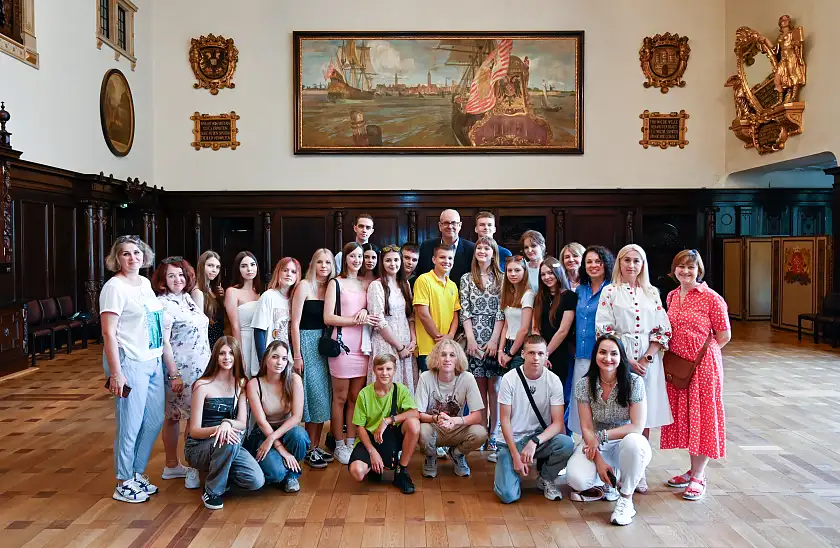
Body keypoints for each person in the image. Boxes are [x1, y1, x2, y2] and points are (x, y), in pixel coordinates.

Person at [100, 235, 177, 503]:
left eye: (137, 253)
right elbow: (109, 334)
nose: (133, 258)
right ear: (116, 258)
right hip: (129, 361)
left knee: (154, 420)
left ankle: (135, 473)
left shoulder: (144, 283)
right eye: (125, 254)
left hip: (153, 359)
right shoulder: (114, 287)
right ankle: (123, 480)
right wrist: (116, 373)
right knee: (130, 424)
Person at [596, 244, 672, 493]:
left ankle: (639, 470)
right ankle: (615, 466)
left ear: (643, 264)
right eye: (626, 260)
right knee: (620, 410)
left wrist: (648, 357)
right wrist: (626, 360)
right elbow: (604, 328)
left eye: (636, 261)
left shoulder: (652, 292)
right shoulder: (610, 291)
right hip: (618, 357)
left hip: (649, 360)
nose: (631, 265)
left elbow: (662, 328)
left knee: (644, 415)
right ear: (619, 263)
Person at [660, 250, 731, 501]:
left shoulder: (712, 298)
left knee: (702, 417)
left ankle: (699, 476)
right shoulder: (671, 296)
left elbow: (723, 336)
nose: (685, 271)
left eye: (691, 267)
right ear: (674, 269)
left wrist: (700, 357)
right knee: (690, 418)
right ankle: (692, 470)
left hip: (703, 367)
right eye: (681, 267)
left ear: (699, 270)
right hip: (680, 367)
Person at [566, 335, 651, 526]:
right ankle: (608, 480)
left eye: (614, 353)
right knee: (576, 480)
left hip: (624, 441)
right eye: (602, 352)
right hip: (596, 444)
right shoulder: (584, 384)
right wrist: (598, 460)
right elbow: (586, 427)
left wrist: (602, 436)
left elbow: (637, 426)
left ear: (621, 357)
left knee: (635, 442)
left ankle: (626, 498)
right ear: (595, 355)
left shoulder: (634, 382)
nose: (608, 358)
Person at [185, 337, 265, 510]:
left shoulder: (241, 384)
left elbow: (242, 423)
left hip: (230, 442)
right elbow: (194, 431)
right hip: (199, 447)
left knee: (256, 481)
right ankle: (212, 490)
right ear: (215, 356)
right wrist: (219, 429)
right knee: (227, 438)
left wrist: (227, 423)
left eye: (230, 353)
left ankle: (221, 472)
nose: (227, 357)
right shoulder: (202, 385)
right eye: (222, 353)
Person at [494, 335, 574, 503]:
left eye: (540, 353)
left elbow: (558, 423)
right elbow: (505, 420)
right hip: (512, 440)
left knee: (566, 444)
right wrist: (515, 455)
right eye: (531, 353)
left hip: (537, 438)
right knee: (508, 496)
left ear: (546, 355)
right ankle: (506, 463)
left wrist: (534, 441)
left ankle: (545, 477)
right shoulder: (509, 379)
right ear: (523, 354)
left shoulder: (553, 380)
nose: (536, 358)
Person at [152, 256, 210, 490]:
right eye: (171, 275)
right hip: (180, 370)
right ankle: (175, 464)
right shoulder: (163, 304)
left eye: (181, 274)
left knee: (192, 416)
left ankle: (189, 464)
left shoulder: (188, 298)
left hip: (201, 367)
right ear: (163, 280)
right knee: (176, 416)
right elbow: (164, 342)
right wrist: (174, 374)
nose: (177, 279)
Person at [325, 242, 381, 464]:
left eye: (360, 256)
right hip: (341, 344)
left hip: (363, 345)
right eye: (353, 256)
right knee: (339, 397)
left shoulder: (367, 283)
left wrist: (366, 311)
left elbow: (371, 308)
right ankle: (338, 443)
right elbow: (328, 317)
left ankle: (351, 440)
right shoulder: (335, 283)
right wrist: (356, 319)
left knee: (354, 398)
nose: (357, 260)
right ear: (345, 258)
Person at [459, 236, 505, 462]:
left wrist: (495, 340)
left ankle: (494, 434)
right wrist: (470, 339)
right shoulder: (467, 278)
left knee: (494, 388)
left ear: (494, 253)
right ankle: (481, 430)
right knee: (478, 389)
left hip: (494, 336)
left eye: (487, 248)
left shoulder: (502, 279)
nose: (482, 251)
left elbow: (501, 311)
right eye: (479, 247)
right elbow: (464, 310)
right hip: (473, 336)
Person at [348, 353, 420, 494]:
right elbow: (360, 427)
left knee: (414, 424)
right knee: (357, 472)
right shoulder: (364, 394)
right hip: (370, 439)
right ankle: (374, 466)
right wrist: (372, 451)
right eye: (380, 369)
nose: (385, 373)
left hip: (391, 436)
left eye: (388, 369)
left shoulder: (400, 390)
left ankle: (401, 470)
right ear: (374, 370)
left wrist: (388, 420)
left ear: (394, 370)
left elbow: (415, 413)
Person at [416, 339, 487, 478]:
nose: (447, 359)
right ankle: (431, 456)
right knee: (419, 430)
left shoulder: (468, 378)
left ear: (458, 358)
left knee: (480, 433)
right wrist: (435, 418)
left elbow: (477, 416)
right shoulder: (425, 377)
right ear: (436, 357)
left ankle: (457, 454)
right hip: (434, 426)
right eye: (443, 355)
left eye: (452, 355)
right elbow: (419, 414)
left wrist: (454, 421)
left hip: (456, 427)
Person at [291, 249, 335, 469]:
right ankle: (308, 448)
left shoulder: (330, 288)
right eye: (320, 261)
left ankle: (315, 446)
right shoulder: (304, 286)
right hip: (307, 344)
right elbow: (294, 323)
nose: (324, 266)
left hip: (324, 344)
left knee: (322, 398)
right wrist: (297, 354)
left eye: (328, 262)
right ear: (313, 264)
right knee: (313, 396)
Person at [244, 341, 309, 493]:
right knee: (275, 473)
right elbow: (261, 421)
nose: (280, 362)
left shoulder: (294, 380)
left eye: (284, 359)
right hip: (263, 432)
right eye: (275, 357)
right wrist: (281, 450)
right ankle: (281, 469)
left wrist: (273, 439)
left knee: (299, 435)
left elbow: (297, 417)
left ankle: (291, 476)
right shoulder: (254, 384)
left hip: (287, 430)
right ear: (266, 358)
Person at [568, 246, 615, 436]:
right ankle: (584, 442)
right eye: (589, 262)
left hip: (605, 356)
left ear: (606, 264)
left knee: (602, 400)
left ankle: (605, 441)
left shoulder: (613, 289)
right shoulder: (580, 290)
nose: (593, 265)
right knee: (582, 399)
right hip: (581, 353)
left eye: (598, 261)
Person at [533, 256, 577, 432]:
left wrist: (546, 354)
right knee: (541, 397)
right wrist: (539, 353)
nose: (547, 277)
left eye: (550, 272)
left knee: (559, 397)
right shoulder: (540, 297)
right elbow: (535, 327)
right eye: (543, 274)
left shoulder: (569, 297)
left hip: (559, 354)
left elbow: (563, 330)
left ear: (558, 273)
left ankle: (562, 435)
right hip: (541, 353)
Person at [367, 245, 417, 393]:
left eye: (396, 260)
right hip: (386, 344)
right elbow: (379, 321)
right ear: (382, 263)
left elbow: (410, 316)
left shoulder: (405, 284)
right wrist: (399, 347)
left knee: (404, 391)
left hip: (406, 345)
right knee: (386, 388)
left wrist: (413, 340)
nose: (393, 263)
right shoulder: (376, 286)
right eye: (388, 260)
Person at [413, 243, 460, 372]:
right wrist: (439, 338)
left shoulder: (453, 285)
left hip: (447, 349)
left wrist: (450, 336)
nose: (446, 261)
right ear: (434, 260)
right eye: (442, 257)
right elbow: (422, 313)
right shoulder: (424, 280)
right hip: (428, 347)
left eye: (450, 258)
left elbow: (456, 314)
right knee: (430, 388)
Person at [224, 251, 262, 378]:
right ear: (238, 269)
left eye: (252, 264)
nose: (249, 269)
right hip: (243, 340)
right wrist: (239, 354)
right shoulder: (232, 292)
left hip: (259, 341)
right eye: (244, 266)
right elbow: (235, 326)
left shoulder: (260, 293)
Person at [253, 257, 300, 359]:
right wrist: (263, 360)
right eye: (285, 270)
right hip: (269, 358)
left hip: (287, 360)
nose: (289, 274)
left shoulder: (295, 300)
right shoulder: (268, 296)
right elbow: (258, 331)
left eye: (293, 272)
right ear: (278, 272)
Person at [417, 209, 476, 283]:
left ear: (460, 225)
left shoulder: (471, 249)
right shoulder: (426, 246)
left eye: (454, 223)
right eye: (446, 223)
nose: (450, 226)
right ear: (440, 226)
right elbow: (420, 273)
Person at [498, 255, 534, 370]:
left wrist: (510, 354)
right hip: (508, 344)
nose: (513, 274)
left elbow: (524, 329)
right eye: (509, 270)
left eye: (517, 270)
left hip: (520, 347)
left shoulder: (528, 295)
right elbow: (506, 326)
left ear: (525, 272)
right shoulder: (509, 293)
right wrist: (500, 350)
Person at [193, 250, 225, 350]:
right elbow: (199, 326)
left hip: (218, 340)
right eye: (210, 265)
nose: (214, 270)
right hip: (206, 342)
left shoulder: (213, 289)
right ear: (201, 266)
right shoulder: (197, 292)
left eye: (217, 267)